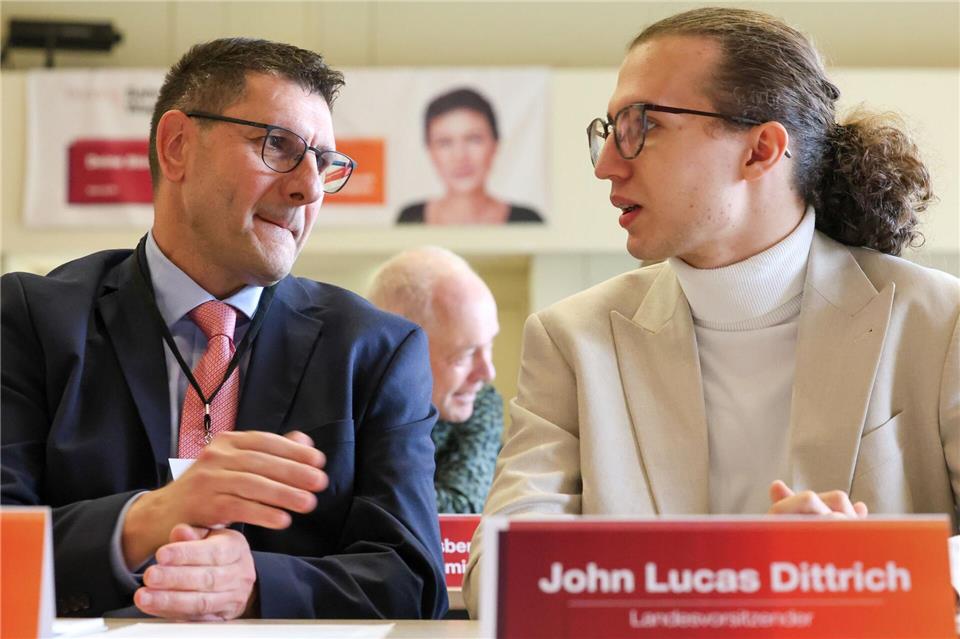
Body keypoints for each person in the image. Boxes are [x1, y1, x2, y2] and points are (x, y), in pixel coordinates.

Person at [463, 6, 959, 615]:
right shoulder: (572, 338)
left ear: (760, 150)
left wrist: (864, 567)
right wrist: (736, 573)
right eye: (610, 128)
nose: (606, 165)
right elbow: (497, 571)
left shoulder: (940, 322)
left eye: (642, 126)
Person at [1, 38, 447, 621]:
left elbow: (414, 583)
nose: (309, 188)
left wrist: (258, 582)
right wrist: (145, 521)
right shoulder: (31, 320)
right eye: (278, 146)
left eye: (326, 163)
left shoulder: (374, 352)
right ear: (178, 146)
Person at [368, 247, 502, 514]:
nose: (488, 373)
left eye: (489, 346)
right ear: (398, 351)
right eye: (464, 355)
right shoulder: (345, 400)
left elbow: (458, 509)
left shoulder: (481, 403)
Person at [397, 88, 542, 225]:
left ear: (495, 145)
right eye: (445, 142)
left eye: (473, 139)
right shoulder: (410, 219)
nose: (460, 156)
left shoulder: (527, 222)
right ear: (430, 151)